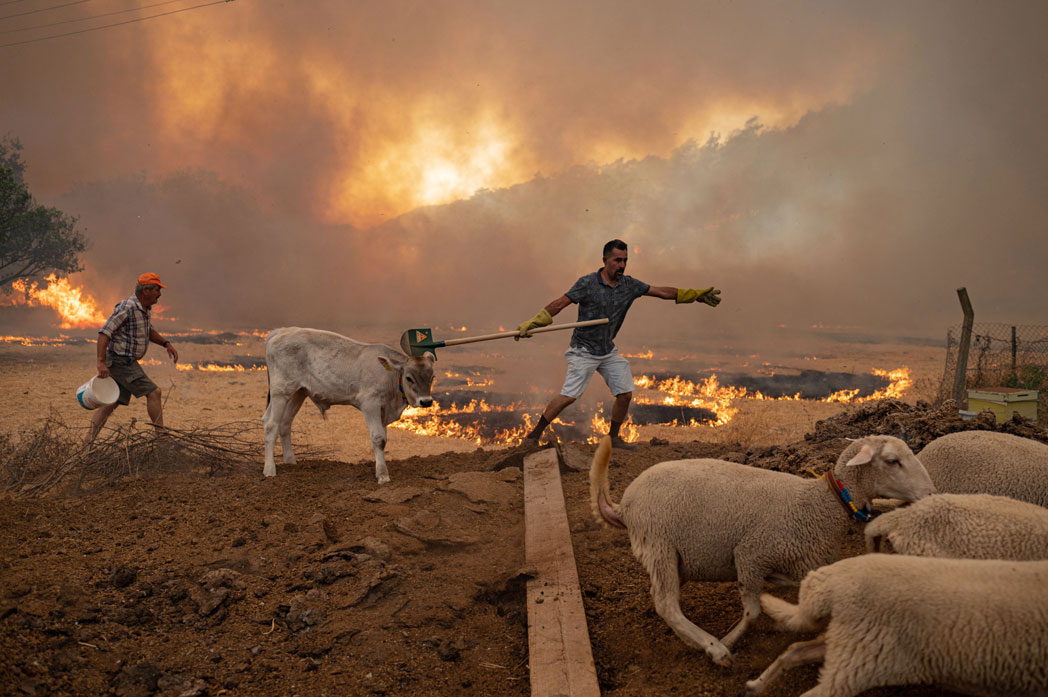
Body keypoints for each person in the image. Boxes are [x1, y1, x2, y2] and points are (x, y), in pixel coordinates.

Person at [516, 239, 721, 450]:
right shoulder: (587, 283)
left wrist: (695, 295)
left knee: (625, 394)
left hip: (607, 350)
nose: (622, 265)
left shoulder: (629, 285)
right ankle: (533, 435)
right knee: (569, 396)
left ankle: (613, 438)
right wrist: (534, 322)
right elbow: (560, 303)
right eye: (617, 260)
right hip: (583, 350)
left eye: (625, 260)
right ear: (605, 260)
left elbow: (661, 292)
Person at [86, 272, 179, 442]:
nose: (160, 294)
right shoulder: (127, 307)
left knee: (111, 402)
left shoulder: (145, 309)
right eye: (157, 290)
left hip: (125, 361)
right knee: (154, 392)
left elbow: (148, 330)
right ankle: (162, 440)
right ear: (146, 290)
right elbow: (105, 332)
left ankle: (88, 440)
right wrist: (100, 362)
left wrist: (166, 343)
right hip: (121, 361)